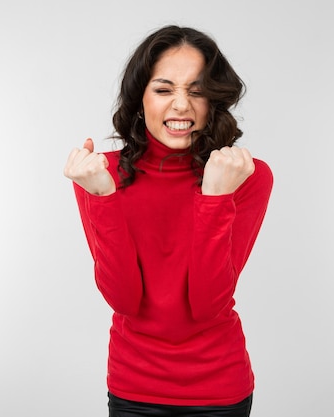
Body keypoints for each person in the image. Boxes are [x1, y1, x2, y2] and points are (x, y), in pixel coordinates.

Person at [63, 25, 273, 417]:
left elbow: (207, 305)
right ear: (140, 99)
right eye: (164, 90)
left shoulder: (245, 174)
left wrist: (215, 198)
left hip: (219, 390)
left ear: (214, 101)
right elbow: (124, 299)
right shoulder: (101, 174)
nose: (181, 106)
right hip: (133, 387)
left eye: (197, 91)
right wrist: (103, 197)